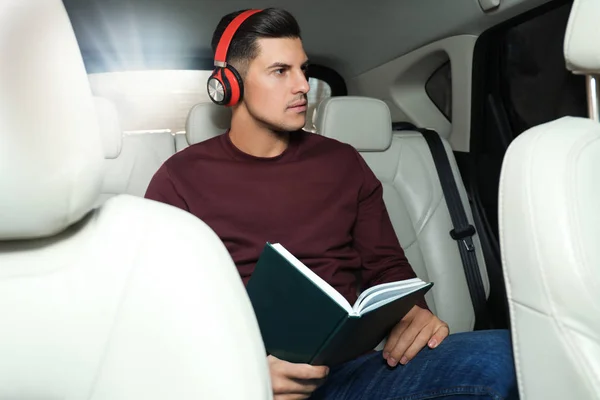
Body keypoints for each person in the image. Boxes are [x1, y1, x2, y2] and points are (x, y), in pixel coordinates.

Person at [145, 7, 519, 400]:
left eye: (303, 69)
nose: (303, 85)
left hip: (350, 374)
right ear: (229, 85)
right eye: (280, 71)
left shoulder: (342, 162)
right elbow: (160, 310)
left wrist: (413, 316)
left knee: (505, 355)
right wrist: (238, 373)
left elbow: (387, 268)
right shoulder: (178, 179)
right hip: (242, 379)